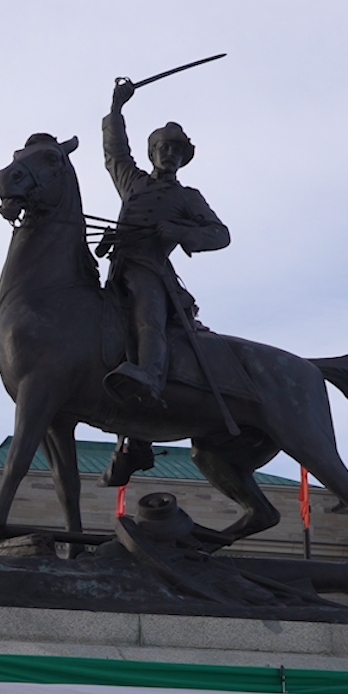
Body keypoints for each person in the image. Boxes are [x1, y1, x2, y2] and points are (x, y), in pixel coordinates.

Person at [97, 78, 230, 486]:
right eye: (164, 148)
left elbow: (219, 234)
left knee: (146, 318)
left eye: (177, 150)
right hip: (117, 271)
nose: (169, 155)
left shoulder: (188, 197)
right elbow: (114, 150)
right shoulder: (133, 182)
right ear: (153, 152)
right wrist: (117, 110)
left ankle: (150, 378)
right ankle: (132, 440)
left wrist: (175, 230)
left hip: (151, 272)